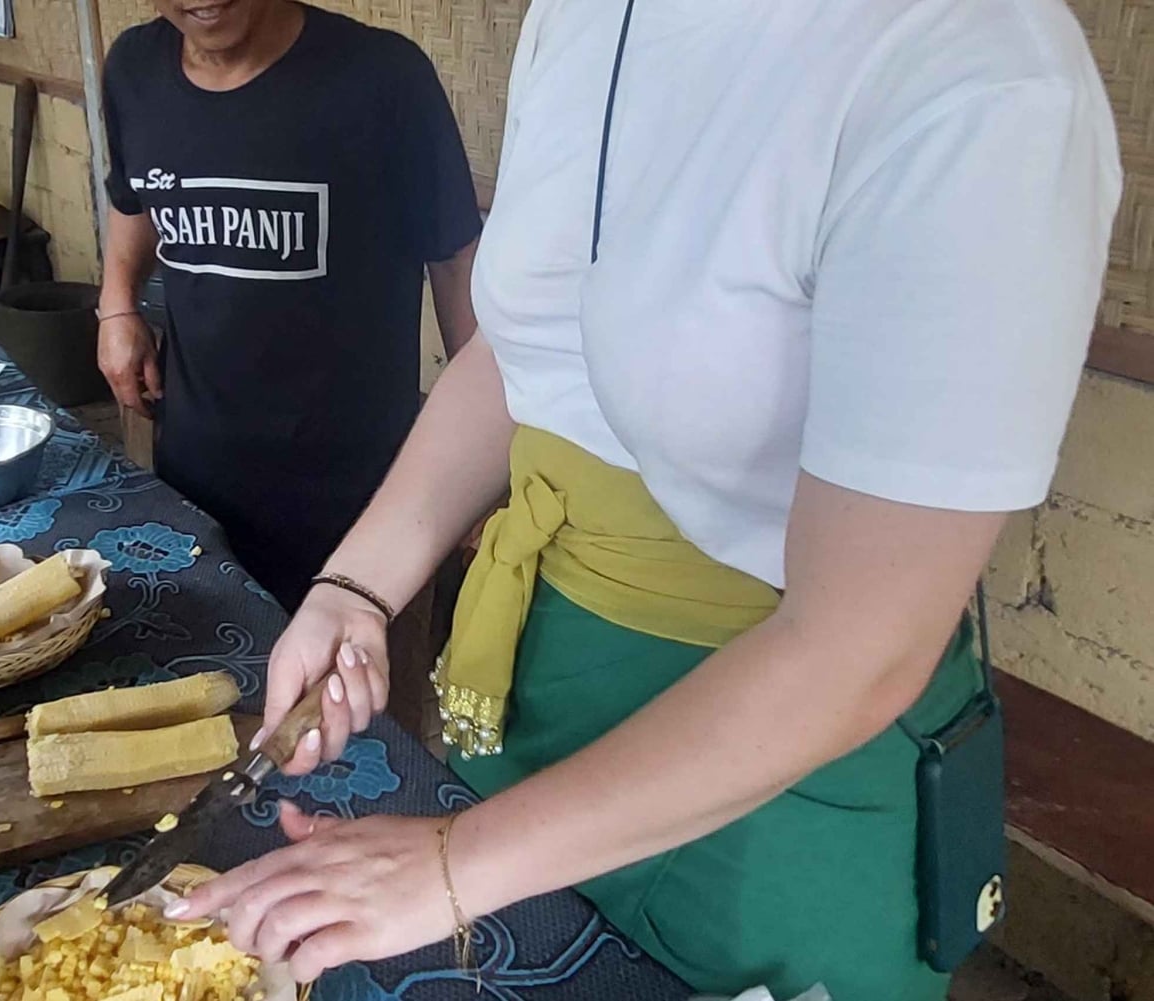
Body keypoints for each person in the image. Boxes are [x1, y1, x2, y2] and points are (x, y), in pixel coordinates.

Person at [171, 0, 1123, 998]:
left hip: (773, 762)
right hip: (532, 690)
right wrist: (356, 587)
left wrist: (455, 861)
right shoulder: (586, 17)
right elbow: (527, 346)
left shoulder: (976, 72)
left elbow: (861, 646)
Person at [97, 0, 481, 611]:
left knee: (358, 693)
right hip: (197, 462)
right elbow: (135, 198)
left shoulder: (382, 77)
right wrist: (117, 306)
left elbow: (456, 262)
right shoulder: (133, 69)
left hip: (359, 486)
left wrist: (477, 456)